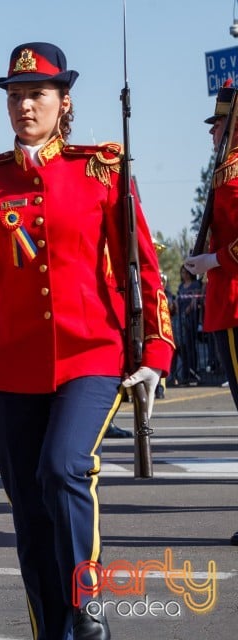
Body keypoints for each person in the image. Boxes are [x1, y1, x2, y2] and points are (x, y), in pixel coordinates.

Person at [0, 43, 173, 640]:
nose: (23, 106)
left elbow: (141, 262)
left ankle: (89, 605)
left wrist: (156, 351)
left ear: (64, 102)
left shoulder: (101, 168)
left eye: (36, 94)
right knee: (28, 507)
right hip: (13, 362)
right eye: (14, 96)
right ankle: (51, 627)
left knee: (64, 468)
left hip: (92, 352)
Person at [185, 82, 238, 546]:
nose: (212, 133)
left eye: (218, 124)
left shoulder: (235, 170)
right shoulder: (225, 168)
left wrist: (216, 261)